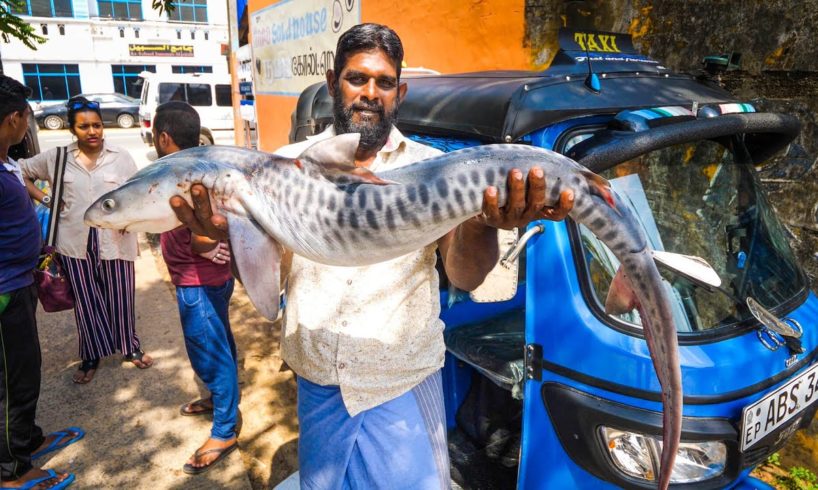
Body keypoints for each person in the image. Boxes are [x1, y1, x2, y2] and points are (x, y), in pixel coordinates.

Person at [172, 23, 574, 488]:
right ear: (331, 83)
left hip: (400, 383)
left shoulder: (431, 170)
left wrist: (482, 223)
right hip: (318, 383)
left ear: (398, 92)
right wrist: (224, 239)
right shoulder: (284, 167)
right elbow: (270, 281)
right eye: (357, 78)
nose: (370, 93)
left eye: (383, 82)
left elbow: (464, 275)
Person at [19, 96, 153, 385]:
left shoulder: (121, 157)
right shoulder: (57, 158)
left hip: (115, 239)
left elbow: (139, 194)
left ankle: (130, 347)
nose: (92, 131)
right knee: (87, 302)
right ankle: (91, 355)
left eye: (96, 125)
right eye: (84, 127)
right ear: (72, 129)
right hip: (74, 242)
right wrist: (46, 197)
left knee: (121, 297)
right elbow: (21, 170)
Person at [0, 75, 84, 490]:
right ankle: (12, 471)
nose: (26, 126)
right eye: (26, 118)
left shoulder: (6, 162)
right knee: (9, 381)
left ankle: (27, 441)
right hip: (3, 291)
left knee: (25, 371)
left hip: (19, 282)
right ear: (14, 118)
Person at [152, 101, 239, 474]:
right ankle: (218, 401)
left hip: (198, 283)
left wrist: (206, 244)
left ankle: (225, 430)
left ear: (163, 137)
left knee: (210, 353)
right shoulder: (194, 169)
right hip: (207, 282)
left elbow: (208, 236)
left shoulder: (183, 179)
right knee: (220, 344)